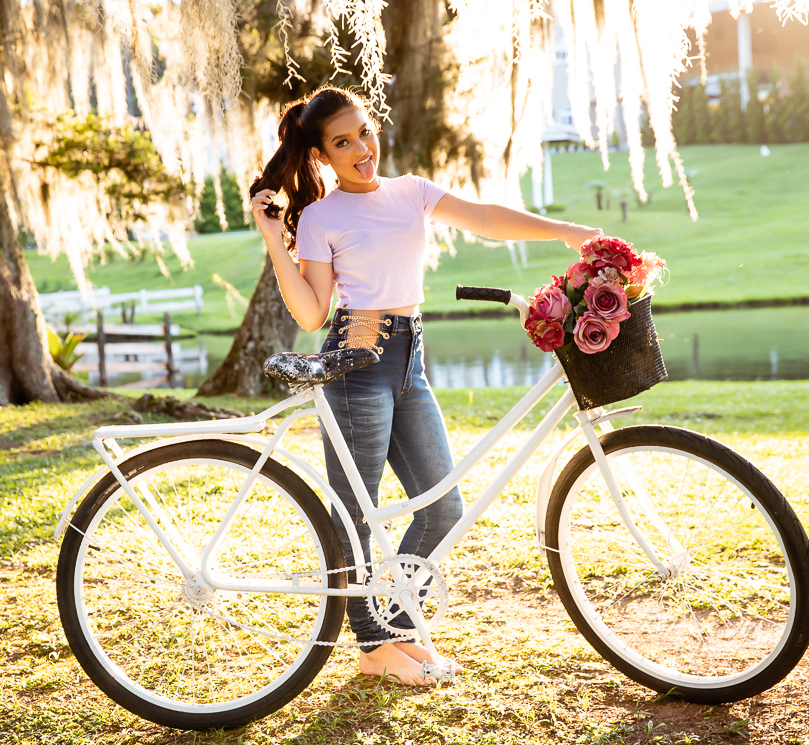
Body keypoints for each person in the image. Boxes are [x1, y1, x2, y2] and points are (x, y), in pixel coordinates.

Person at [249, 85, 601, 686]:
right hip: (354, 363)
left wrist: (566, 231)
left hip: (410, 363)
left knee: (443, 507)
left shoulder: (409, 192)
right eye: (343, 143)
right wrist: (271, 236)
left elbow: (486, 219)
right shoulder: (320, 217)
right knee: (357, 512)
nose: (363, 148)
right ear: (321, 156)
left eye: (365, 131)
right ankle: (372, 644)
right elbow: (311, 315)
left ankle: (398, 627)